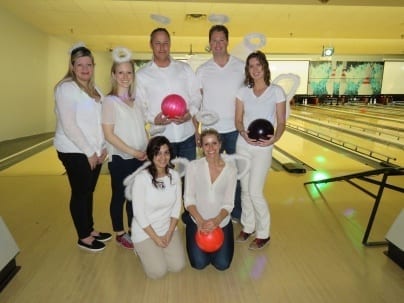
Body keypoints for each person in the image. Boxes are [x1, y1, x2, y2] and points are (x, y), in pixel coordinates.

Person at [54, 43, 111, 252]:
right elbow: (70, 125)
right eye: (80, 65)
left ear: (93, 66)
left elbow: (102, 119)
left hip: (94, 150)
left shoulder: (95, 90)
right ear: (72, 66)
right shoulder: (66, 88)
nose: (85, 69)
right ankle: (84, 237)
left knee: (88, 191)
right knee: (80, 192)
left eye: (89, 64)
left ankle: (90, 229)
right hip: (73, 150)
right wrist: (89, 152)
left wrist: (104, 146)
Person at [234, 51, 286, 250]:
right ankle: (248, 226)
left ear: (264, 66)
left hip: (264, 148)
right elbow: (238, 119)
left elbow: (281, 122)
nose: (255, 69)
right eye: (251, 66)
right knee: (245, 190)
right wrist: (243, 132)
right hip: (243, 144)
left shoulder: (276, 91)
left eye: (258, 65)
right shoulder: (242, 92)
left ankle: (263, 233)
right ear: (247, 70)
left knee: (255, 191)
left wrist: (275, 138)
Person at [195, 25, 244, 222]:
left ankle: (237, 213)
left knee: (236, 175)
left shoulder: (241, 66)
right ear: (209, 43)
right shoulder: (202, 70)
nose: (217, 44)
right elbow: (195, 103)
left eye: (221, 40)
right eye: (214, 40)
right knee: (209, 176)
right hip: (209, 132)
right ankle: (211, 211)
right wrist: (195, 130)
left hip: (234, 130)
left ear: (227, 41)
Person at [102, 47, 148, 250]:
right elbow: (109, 135)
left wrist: (147, 149)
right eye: (120, 72)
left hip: (140, 157)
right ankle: (120, 233)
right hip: (121, 159)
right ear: (113, 75)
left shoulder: (135, 101)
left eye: (129, 72)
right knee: (119, 196)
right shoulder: (109, 102)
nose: (125, 76)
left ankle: (133, 229)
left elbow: (141, 129)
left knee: (135, 197)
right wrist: (133, 152)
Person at [123, 136, 186, 279]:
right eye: (158, 153)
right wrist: (156, 239)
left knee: (177, 266)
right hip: (145, 231)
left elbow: (177, 207)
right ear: (151, 155)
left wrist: (169, 233)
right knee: (158, 272)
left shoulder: (175, 176)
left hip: (166, 228)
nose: (162, 157)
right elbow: (139, 214)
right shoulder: (142, 179)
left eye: (166, 152)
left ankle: (155, 251)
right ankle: (141, 250)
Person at [135, 27, 201, 161]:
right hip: (161, 140)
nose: (162, 47)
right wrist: (154, 119)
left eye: (165, 43)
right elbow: (139, 106)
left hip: (187, 136)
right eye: (157, 43)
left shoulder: (184, 69)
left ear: (170, 44)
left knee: (188, 180)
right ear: (150, 44)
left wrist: (190, 114)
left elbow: (196, 96)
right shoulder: (142, 75)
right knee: (164, 180)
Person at [183, 129, 238, 270]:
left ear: (220, 144)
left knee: (222, 264)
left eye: (214, 143)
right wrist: (200, 222)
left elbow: (229, 203)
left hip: (221, 221)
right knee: (199, 264)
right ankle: (188, 221)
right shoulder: (193, 167)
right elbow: (188, 199)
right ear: (201, 146)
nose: (211, 148)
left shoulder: (231, 170)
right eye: (206, 144)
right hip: (198, 220)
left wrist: (217, 220)